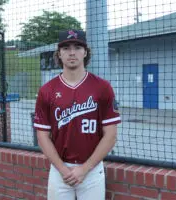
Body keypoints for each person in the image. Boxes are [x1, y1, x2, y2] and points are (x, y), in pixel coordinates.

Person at [33, 29, 121, 200]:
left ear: (85, 52)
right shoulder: (47, 90)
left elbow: (110, 135)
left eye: (77, 47)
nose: (72, 52)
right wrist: (63, 169)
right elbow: (42, 136)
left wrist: (85, 168)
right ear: (59, 53)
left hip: (92, 170)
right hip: (60, 171)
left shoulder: (102, 87)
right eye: (66, 48)